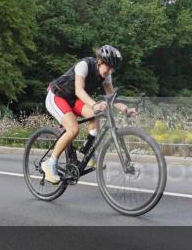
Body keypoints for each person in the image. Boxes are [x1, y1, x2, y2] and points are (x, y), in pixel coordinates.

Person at [41, 45, 133, 184]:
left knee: (97, 114)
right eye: (108, 67)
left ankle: (88, 151)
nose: (110, 71)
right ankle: (50, 163)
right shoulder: (84, 65)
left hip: (73, 100)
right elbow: (79, 90)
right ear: (100, 61)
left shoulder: (106, 75)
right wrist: (95, 104)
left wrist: (125, 109)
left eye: (113, 68)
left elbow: (111, 96)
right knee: (73, 129)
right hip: (57, 95)